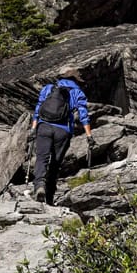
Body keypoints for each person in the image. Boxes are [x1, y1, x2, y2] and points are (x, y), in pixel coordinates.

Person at [31, 68, 94, 205]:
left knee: (42, 158)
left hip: (44, 126)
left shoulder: (49, 88)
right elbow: (83, 115)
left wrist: (33, 128)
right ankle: (49, 198)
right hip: (63, 130)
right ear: (76, 80)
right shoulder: (77, 92)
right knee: (55, 164)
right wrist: (89, 135)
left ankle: (39, 186)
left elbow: (38, 109)